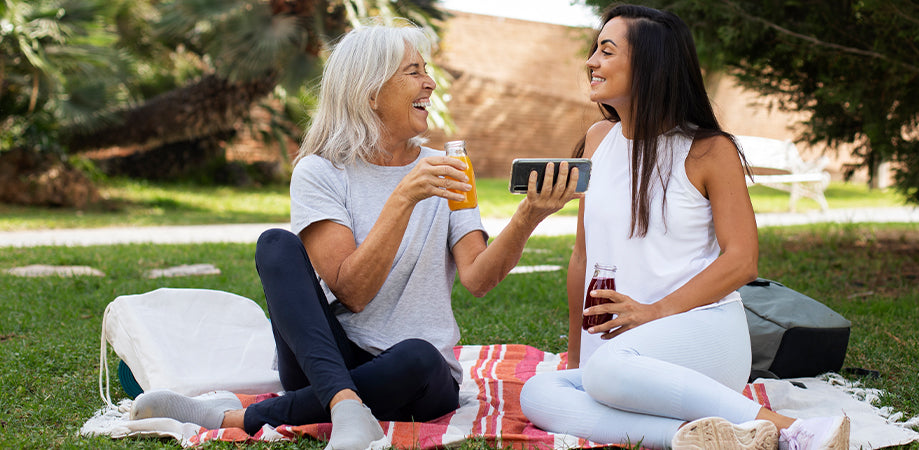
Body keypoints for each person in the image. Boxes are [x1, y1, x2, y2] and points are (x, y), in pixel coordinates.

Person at [129, 20, 581, 450]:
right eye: (413, 72)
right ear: (369, 91)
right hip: (328, 360)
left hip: (416, 374)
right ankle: (344, 405)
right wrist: (403, 198)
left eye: (427, 71)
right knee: (275, 244)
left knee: (419, 357)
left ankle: (234, 418)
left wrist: (529, 215)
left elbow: (478, 279)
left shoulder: (448, 167)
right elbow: (354, 292)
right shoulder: (320, 171)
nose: (430, 83)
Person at [518, 5, 851, 450]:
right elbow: (584, 255)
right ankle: (702, 437)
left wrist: (654, 312)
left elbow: (742, 261)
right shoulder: (598, 140)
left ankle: (792, 429)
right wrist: (575, 358)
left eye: (606, 51)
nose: (591, 62)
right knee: (538, 393)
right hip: (618, 356)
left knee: (605, 372)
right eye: (594, 50)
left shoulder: (708, 151)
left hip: (702, 332)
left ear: (650, 65)